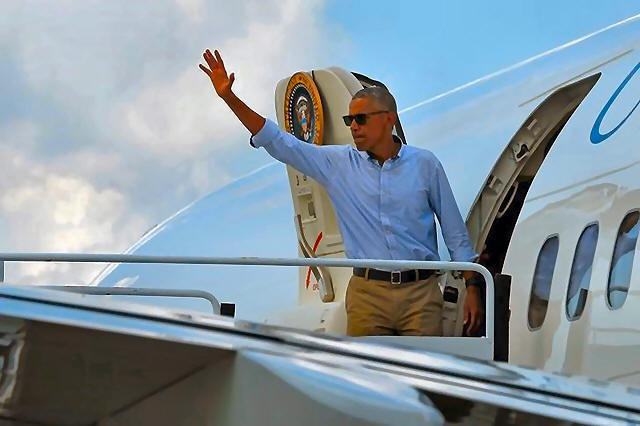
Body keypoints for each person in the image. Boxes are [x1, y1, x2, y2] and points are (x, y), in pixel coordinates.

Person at [199, 49, 484, 336]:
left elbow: (455, 233)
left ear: (388, 119)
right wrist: (229, 98)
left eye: (361, 119)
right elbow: (279, 143)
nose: (354, 127)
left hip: (421, 294)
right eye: (350, 121)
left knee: (422, 365)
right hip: (367, 295)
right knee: (364, 366)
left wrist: (473, 288)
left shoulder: (425, 164)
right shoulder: (339, 164)